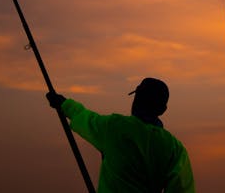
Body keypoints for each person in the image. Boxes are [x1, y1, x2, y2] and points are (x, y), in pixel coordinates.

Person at [46, 77, 195, 193]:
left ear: (136, 100)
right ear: (163, 109)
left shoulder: (114, 127)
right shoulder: (175, 149)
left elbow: (85, 117)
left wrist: (63, 104)